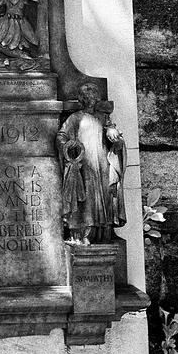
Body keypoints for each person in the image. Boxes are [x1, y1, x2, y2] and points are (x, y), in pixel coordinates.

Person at [56, 81, 127, 244]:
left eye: (94, 97)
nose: (91, 100)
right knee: (86, 197)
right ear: (82, 99)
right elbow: (61, 136)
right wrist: (69, 146)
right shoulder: (75, 118)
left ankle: (102, 230)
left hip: (103, 164)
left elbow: (116, 141)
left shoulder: (103, 119)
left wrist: (116, 139)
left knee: (105, 195)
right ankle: (84, 232)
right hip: (84, 166)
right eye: (88, 97)